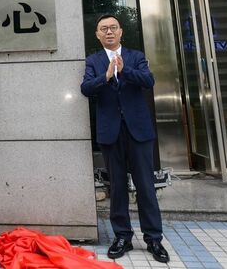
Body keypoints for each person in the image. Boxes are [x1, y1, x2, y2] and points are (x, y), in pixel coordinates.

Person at [81, 14, 169, 264]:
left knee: (145, 185)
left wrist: (124, 70)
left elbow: (148, 81)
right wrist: (107, 76)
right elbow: (86, 88)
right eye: (103, 29)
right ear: (97, 35)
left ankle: (153, 238)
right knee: (117, 187)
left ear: (121, 31)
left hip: (138, 131)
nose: (108, 32)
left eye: (113, 28)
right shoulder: (93, 61)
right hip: (110, 132)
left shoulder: (136, 56)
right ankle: (122, 236)